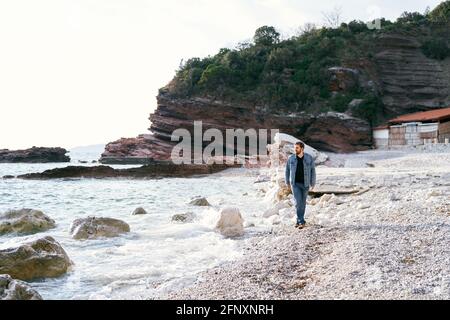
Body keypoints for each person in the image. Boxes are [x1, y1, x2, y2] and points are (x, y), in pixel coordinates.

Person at [285, 141, 316, 229]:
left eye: (297, 148)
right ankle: (301, 221)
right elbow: (287, 170)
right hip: (295, 184)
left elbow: (313, 170)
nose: (295, 149)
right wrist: (287, 181)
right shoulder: (291, 158)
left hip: (305, 184)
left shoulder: (309, 158)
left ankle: (299, 220)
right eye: (295, 148)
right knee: (298, 202)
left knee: (302, 203)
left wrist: (313, 182)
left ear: (302, 148)